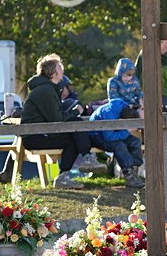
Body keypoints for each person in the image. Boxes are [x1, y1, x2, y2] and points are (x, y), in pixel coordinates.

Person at [21, 54, 105, 188]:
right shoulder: (45, 90)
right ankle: (85, 160)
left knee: (74, 132)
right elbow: (56, 119)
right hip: (34, 136)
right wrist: (75, 111)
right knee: (74, 130)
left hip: (40, 133)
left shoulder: (48, 88)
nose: (63, 71)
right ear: (53, 73)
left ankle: (71, 171)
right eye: (60, 68)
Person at [89, 99, 145, 187]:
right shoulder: (108, 113)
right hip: (97, 135)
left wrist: (126, 129)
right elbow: (108, 137)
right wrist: (127, 130)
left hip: (114, 131)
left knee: (135, 141)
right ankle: (129, 176)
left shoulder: (125, 106)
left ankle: (134, 172)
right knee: (119, 146)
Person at [136, 40, 167, 114]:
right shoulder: (145, 54)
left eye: (160, 42)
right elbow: (136, 77)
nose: (156, 45)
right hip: (157, 95)